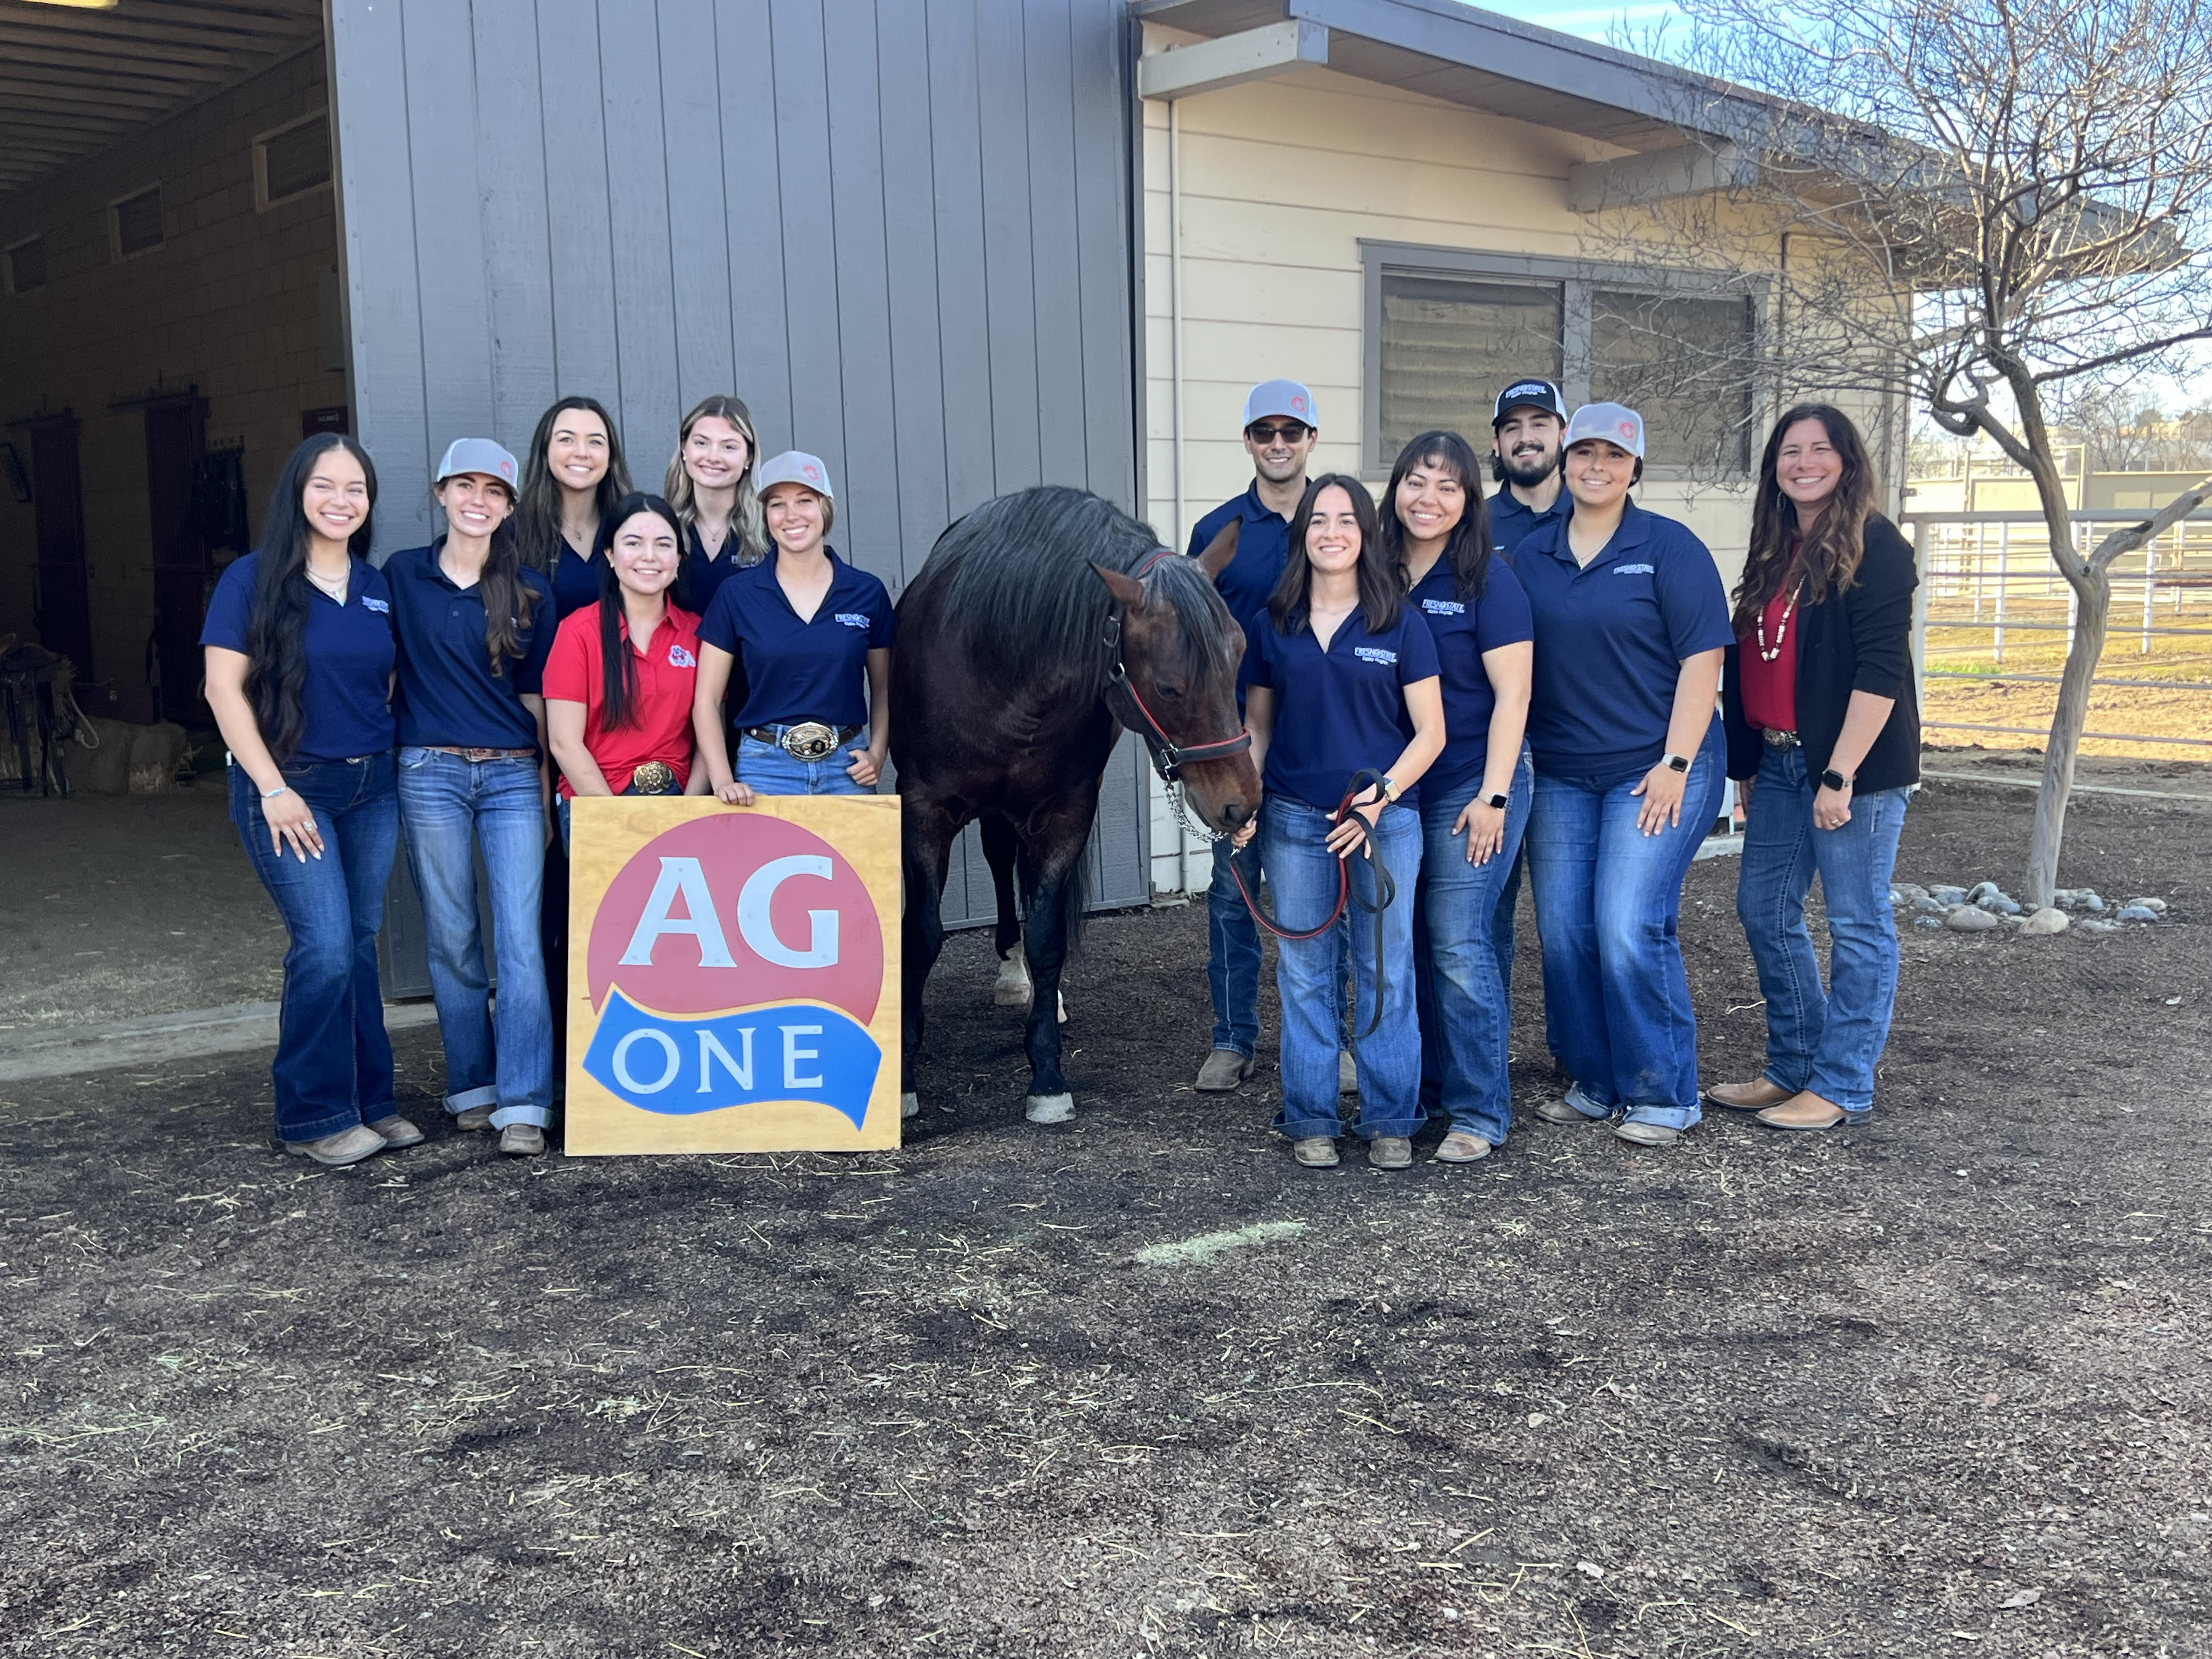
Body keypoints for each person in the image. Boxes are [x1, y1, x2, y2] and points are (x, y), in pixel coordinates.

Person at [1515, 403, 1733, 1149]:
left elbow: (1703, 661)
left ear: (1635, 467)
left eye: (1614, 454)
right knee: (1566, 933)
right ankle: (1596, 1079)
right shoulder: (1533, 554)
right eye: (1584, 453)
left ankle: (1664, 1089)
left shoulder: (1669, 548)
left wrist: (1675, 763)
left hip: (1661, 765)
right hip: (1566, 776)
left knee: (1626, 924)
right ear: (1565, 462)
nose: (1596, 466)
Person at [1712, 405, 1921, 1131]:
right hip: (1777, 762)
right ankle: (1794, 1066)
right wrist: (1745, 762)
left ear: (1847, 460)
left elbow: (1882, 668)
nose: (1804, 463)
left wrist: (1840, 775)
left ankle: (1842, 1085)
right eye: (1790, 452)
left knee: (1859, 924)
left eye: (1820, 449)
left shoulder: (1877, 543)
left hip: (1848, 770)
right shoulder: (1776, 548)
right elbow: (1752, 662)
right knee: (1764, 908)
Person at [201, 435, 405, 1169]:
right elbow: (222, 689)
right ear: (297, 491)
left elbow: (382, 685)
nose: (342, 501)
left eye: (357, 488)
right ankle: (312, 1115)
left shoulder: (377, 585)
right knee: (321, 947)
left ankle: (371, 1102)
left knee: (355, 945)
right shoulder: (252, 581)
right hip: (290, 789)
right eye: (327, 485)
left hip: (370, 787)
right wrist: (273, 787)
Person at [1240, 476, 1444, 1171]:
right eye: (1319, 520)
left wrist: (1380, 796)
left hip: (1384, 825)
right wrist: (1245, 806)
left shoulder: (1401, 622)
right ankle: (1312, 1118)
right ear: (1303, 533)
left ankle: (1391, 1117)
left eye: (1347, 520)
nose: (1333, 532)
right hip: (1296, 819)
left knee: (1384, 970)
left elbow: (1431, 733)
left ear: (1367, 533)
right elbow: (1257, 729)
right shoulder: (1275, 623)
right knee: (1303, 971)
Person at [386, 439, 558, 1158]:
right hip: (430, 772)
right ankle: (473, 1086)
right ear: (441, 493)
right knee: (452, 936)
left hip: (515, 774)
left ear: (510, 506)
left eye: (493, 490)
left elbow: (542, 703)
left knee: (520, 940)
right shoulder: (401, 577)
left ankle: (524, 1102)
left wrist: (549, 797)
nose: (477, 500)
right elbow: (382, 675)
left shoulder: (529, 590)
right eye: (465, 485)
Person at [1185, 380, 1350, 1096]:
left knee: (1328, 899)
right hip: (1237, 746)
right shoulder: (1219, 534)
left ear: (1312, 439)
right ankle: (1233, 1039)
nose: (1278, 443)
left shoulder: (1339, 522)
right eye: (1264, 432)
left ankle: (1336, 1042)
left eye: (1292, 431)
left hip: (1324, 738)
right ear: (1249, 442)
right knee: (1233, 895)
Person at [1380, 431, 1534, 1163]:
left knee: (1460, 942)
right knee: (1406, 944)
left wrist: (1495, 796)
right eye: (1417, 481)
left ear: (1469, 500)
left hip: (1474, 781)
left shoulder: (1487, 580)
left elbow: (1514, 695)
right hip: (1398, 790)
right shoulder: (1372, 572)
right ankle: (1428, 1088)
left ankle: (1480, 1109)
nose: (1429, 499)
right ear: (1396, 488)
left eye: (1447, 486)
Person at [692, 452, 892, 800]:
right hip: (764, 772)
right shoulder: (737, 595)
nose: (792, 516)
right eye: (777, 504)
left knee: (853, 858)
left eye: (805, 500)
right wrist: (723, 780)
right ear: (765, 515)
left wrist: (877, 752)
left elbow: (884, 690)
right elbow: (706, 700)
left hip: (846, 769)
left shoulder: (867, 592)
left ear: (825, 507)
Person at [544, 493, 708, 839]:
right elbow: (563, 742)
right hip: (597, 804)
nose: (649, 557)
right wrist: (617, 825)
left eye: (664, 545)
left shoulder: (698, 633)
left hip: (677, 802)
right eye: (633, 543)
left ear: (679, 559)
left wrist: (689, 812)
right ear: (610, 555)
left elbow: (710, 735)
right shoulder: (576, 632)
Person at [515, 396, 634, 619]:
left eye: (595, 442)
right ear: (545, 450)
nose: (582, 452)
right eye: (566, 440)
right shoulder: (513, 532)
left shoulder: (631, 528)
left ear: (611, 457)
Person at [665, 394, 768, 618]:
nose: (713, 457)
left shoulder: (771, 528)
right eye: (701, 443)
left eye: (729, 447)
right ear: (684, 448)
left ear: (749, 457)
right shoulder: (661, 525)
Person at [1486, 377, 1571, 560]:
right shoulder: (1473, 524)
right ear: (1497, 443)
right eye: (1512, 428)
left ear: (1564, 435)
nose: (1525, 438)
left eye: (1539, 425)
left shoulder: (1591, 516)